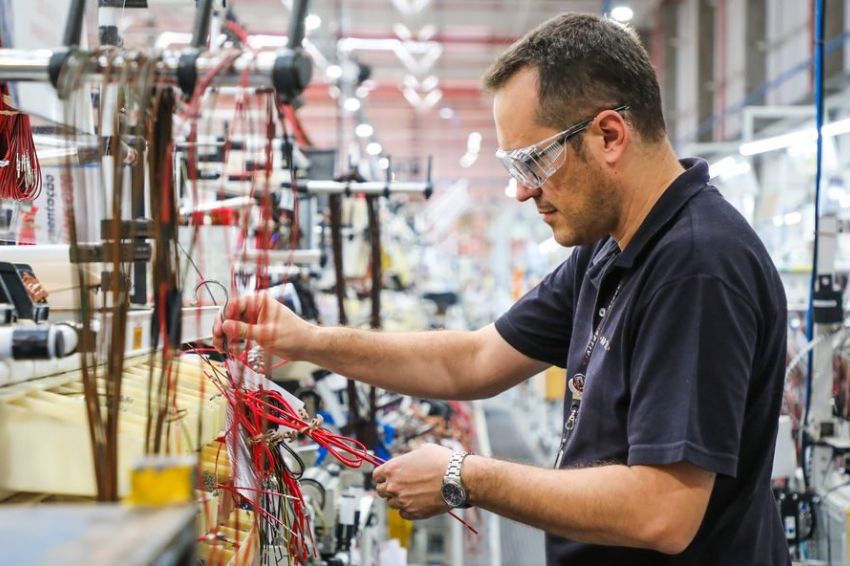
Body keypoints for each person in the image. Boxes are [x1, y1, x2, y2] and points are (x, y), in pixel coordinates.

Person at [213, 12, 790, 565]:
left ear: (609, 135)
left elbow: (661, 511)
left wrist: (464, 476)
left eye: (534, 162)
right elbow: (475, 359)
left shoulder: (694, 265)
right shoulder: (610, 248)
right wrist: (305, 340)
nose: (520, 191)